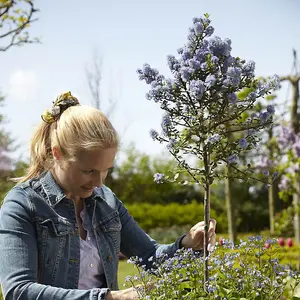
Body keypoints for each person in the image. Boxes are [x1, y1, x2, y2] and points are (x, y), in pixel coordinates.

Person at [0, 92, 217, 300]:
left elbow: (150, 256)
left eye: (106, 170)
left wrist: (187, 245)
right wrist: (110, 297)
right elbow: (18, 292)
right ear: (57, 153)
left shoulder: (106, 201)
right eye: (89, 171)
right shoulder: (23, 204)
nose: (98, 183)